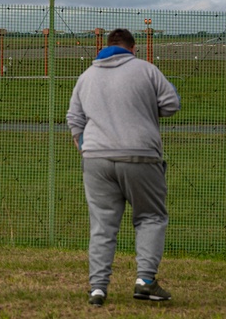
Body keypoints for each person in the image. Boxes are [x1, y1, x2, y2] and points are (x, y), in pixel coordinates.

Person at [65, 28, 180, 307]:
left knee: (103, 224)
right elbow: (171, 104)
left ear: (106, 47)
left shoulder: (86, 76)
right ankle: (145, 281)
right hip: (141, 155)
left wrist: (86, 147)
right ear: (133, 48)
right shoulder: (147, 70)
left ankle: (98, 289)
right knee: (150, 217)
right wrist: (142, 109)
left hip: (96, 158)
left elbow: (73, 118)